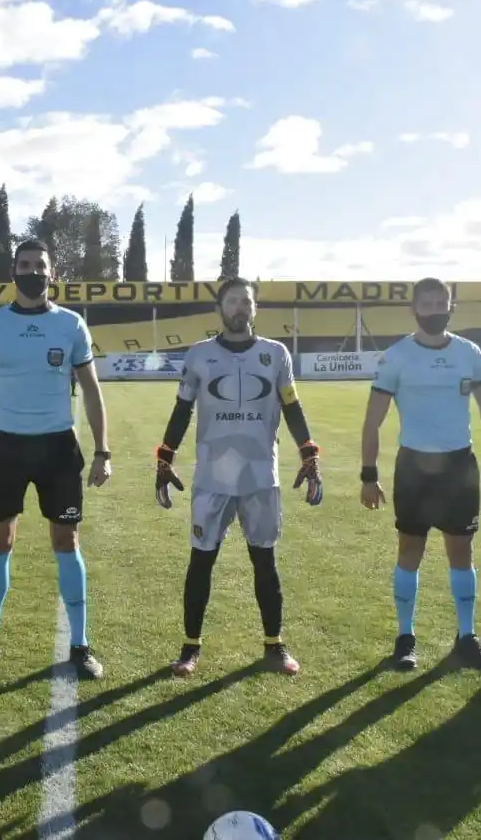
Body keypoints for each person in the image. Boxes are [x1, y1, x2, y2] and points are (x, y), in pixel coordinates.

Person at [0, 238, 112, 679]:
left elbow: (92, 391)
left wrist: (103, 451)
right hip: (5, 448)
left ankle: (80, 644)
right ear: (13, 273)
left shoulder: (71, 324)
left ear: (52, 274)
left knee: (67, 543)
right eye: (25, 265)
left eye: (40, 265)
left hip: (58, 448)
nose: (33, 272)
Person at [153, 276, 324, 678]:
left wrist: (308, 451)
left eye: (246, 301)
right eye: (232, 300)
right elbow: (182, 410)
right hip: (212, 478)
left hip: (260, 476)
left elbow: (292, 407)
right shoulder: (199, 355)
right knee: (201, 561)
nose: (239, 307)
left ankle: (275, 646)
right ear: (220, 308)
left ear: (254, 308)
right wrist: (165, 457)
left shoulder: (276, 353)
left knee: (265, 561)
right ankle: (190, 648)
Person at [359, 277, 481, 673]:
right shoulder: (396, 357)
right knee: (410, 551)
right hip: (414, 468)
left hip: (459, 467)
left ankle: (466, 638)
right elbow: (373, 421)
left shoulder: (469, 353)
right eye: (427, 304)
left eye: (442, 303)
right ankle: (405, 639)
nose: (435, 310)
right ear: (414, 309)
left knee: (462, 552)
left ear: (451, 307)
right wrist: (368, 475)